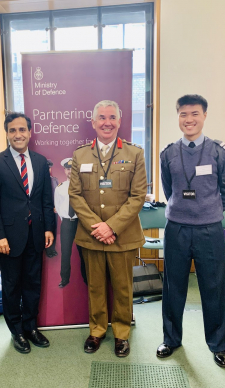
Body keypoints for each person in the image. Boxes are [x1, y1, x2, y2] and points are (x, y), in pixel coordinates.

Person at [157, 94, 225, 368]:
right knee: (173, 287)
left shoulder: (219, 152)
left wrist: (207, 211)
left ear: (204, 116)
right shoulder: (168, 153)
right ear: (177, 116)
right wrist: (184, 209)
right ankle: (171, 339)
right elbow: (170, 190)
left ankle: (218, 345)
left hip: (209, 230)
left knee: (213, 288)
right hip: (177, 228)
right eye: (183, 114)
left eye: (194, 114)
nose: (188, 120)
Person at [69, 100, 147, 357]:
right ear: (93, 122)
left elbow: (137, 197)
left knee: (123, 287)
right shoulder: (80, 155)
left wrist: (111, 227)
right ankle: (98, 329)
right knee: (96, 286)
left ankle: (122, 333)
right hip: (92, 236)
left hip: (122, 235)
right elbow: (75, 195)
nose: (107, 122)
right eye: (101, 117)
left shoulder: (135, 154)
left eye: (112, 117)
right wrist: (97, 227)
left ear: (119, 121)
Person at [0, 112, 54, 354]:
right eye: (12, 130)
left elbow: (46, 200)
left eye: (22, 130)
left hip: (36, 235)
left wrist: (48, 228)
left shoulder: (40, 161)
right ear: (7, 134)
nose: (18, 134)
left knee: (33, 284)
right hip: (9, 239)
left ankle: (31, 327)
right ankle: (16, 331)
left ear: (30, 132)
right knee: (12, 286)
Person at [54, 158, 87, 288]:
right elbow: (58, 206)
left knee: (83, 252)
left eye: (73, 169)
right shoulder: (60, 188)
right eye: (68, 169)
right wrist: (66, 220)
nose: (70, 171)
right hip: (67, 223)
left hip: (81, 223)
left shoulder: (84, 187)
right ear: (64, 170)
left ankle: (86, 278)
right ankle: (65, 279)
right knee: (65, 252)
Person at [45, 159, 58, 258]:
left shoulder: (54, 180)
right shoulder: (38, 180)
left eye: (49, 167)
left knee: (53, 229)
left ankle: (51, 250)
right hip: (44, 209)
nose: (48, 169)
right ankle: (46, 250)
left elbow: (57, 195)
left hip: (54, 209)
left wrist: (56, 206)